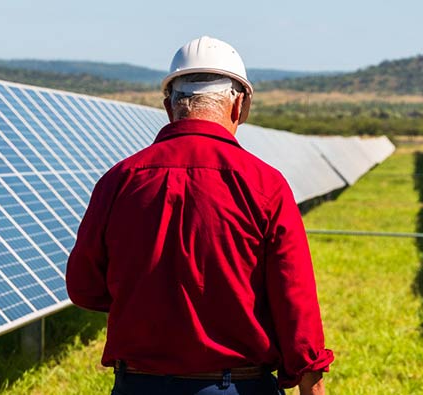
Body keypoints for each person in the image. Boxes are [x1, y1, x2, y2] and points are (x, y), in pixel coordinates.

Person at [66, 36, 333, 395]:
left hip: (138, 385)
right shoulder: (265, 185)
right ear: (240, 105)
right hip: (239, 385)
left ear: (168, 106)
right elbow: (294, 302)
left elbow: (84, 288)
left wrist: (150, 300)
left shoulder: (119, 181)